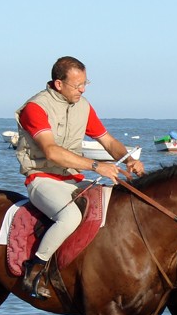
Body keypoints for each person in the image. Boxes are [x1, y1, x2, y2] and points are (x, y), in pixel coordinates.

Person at [15, 56, 145, 298]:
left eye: (86, 83)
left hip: (72, 179)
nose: (83, 90)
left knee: (118, 201)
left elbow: (108, 141)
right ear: (58, 84)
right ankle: (34, 269)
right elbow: (51, 151)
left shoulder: (83, 105)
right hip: (42, 179)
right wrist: (96, 165)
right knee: (70, 216)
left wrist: (128, 159)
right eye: (77, 85)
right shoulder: (35, 108)